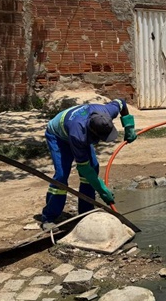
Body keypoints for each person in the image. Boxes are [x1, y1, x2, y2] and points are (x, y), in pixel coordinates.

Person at [40, 98, 137, 229]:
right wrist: (101, 189)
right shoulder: (78, 135)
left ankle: (86, 212)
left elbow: (122, 103)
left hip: (76, 126)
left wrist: (129, 127)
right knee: (62, 175)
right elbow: (84, 167)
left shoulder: (107, 111)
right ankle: (49, 217)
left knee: (93, 168)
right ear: (93, 132)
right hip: (58, 135)